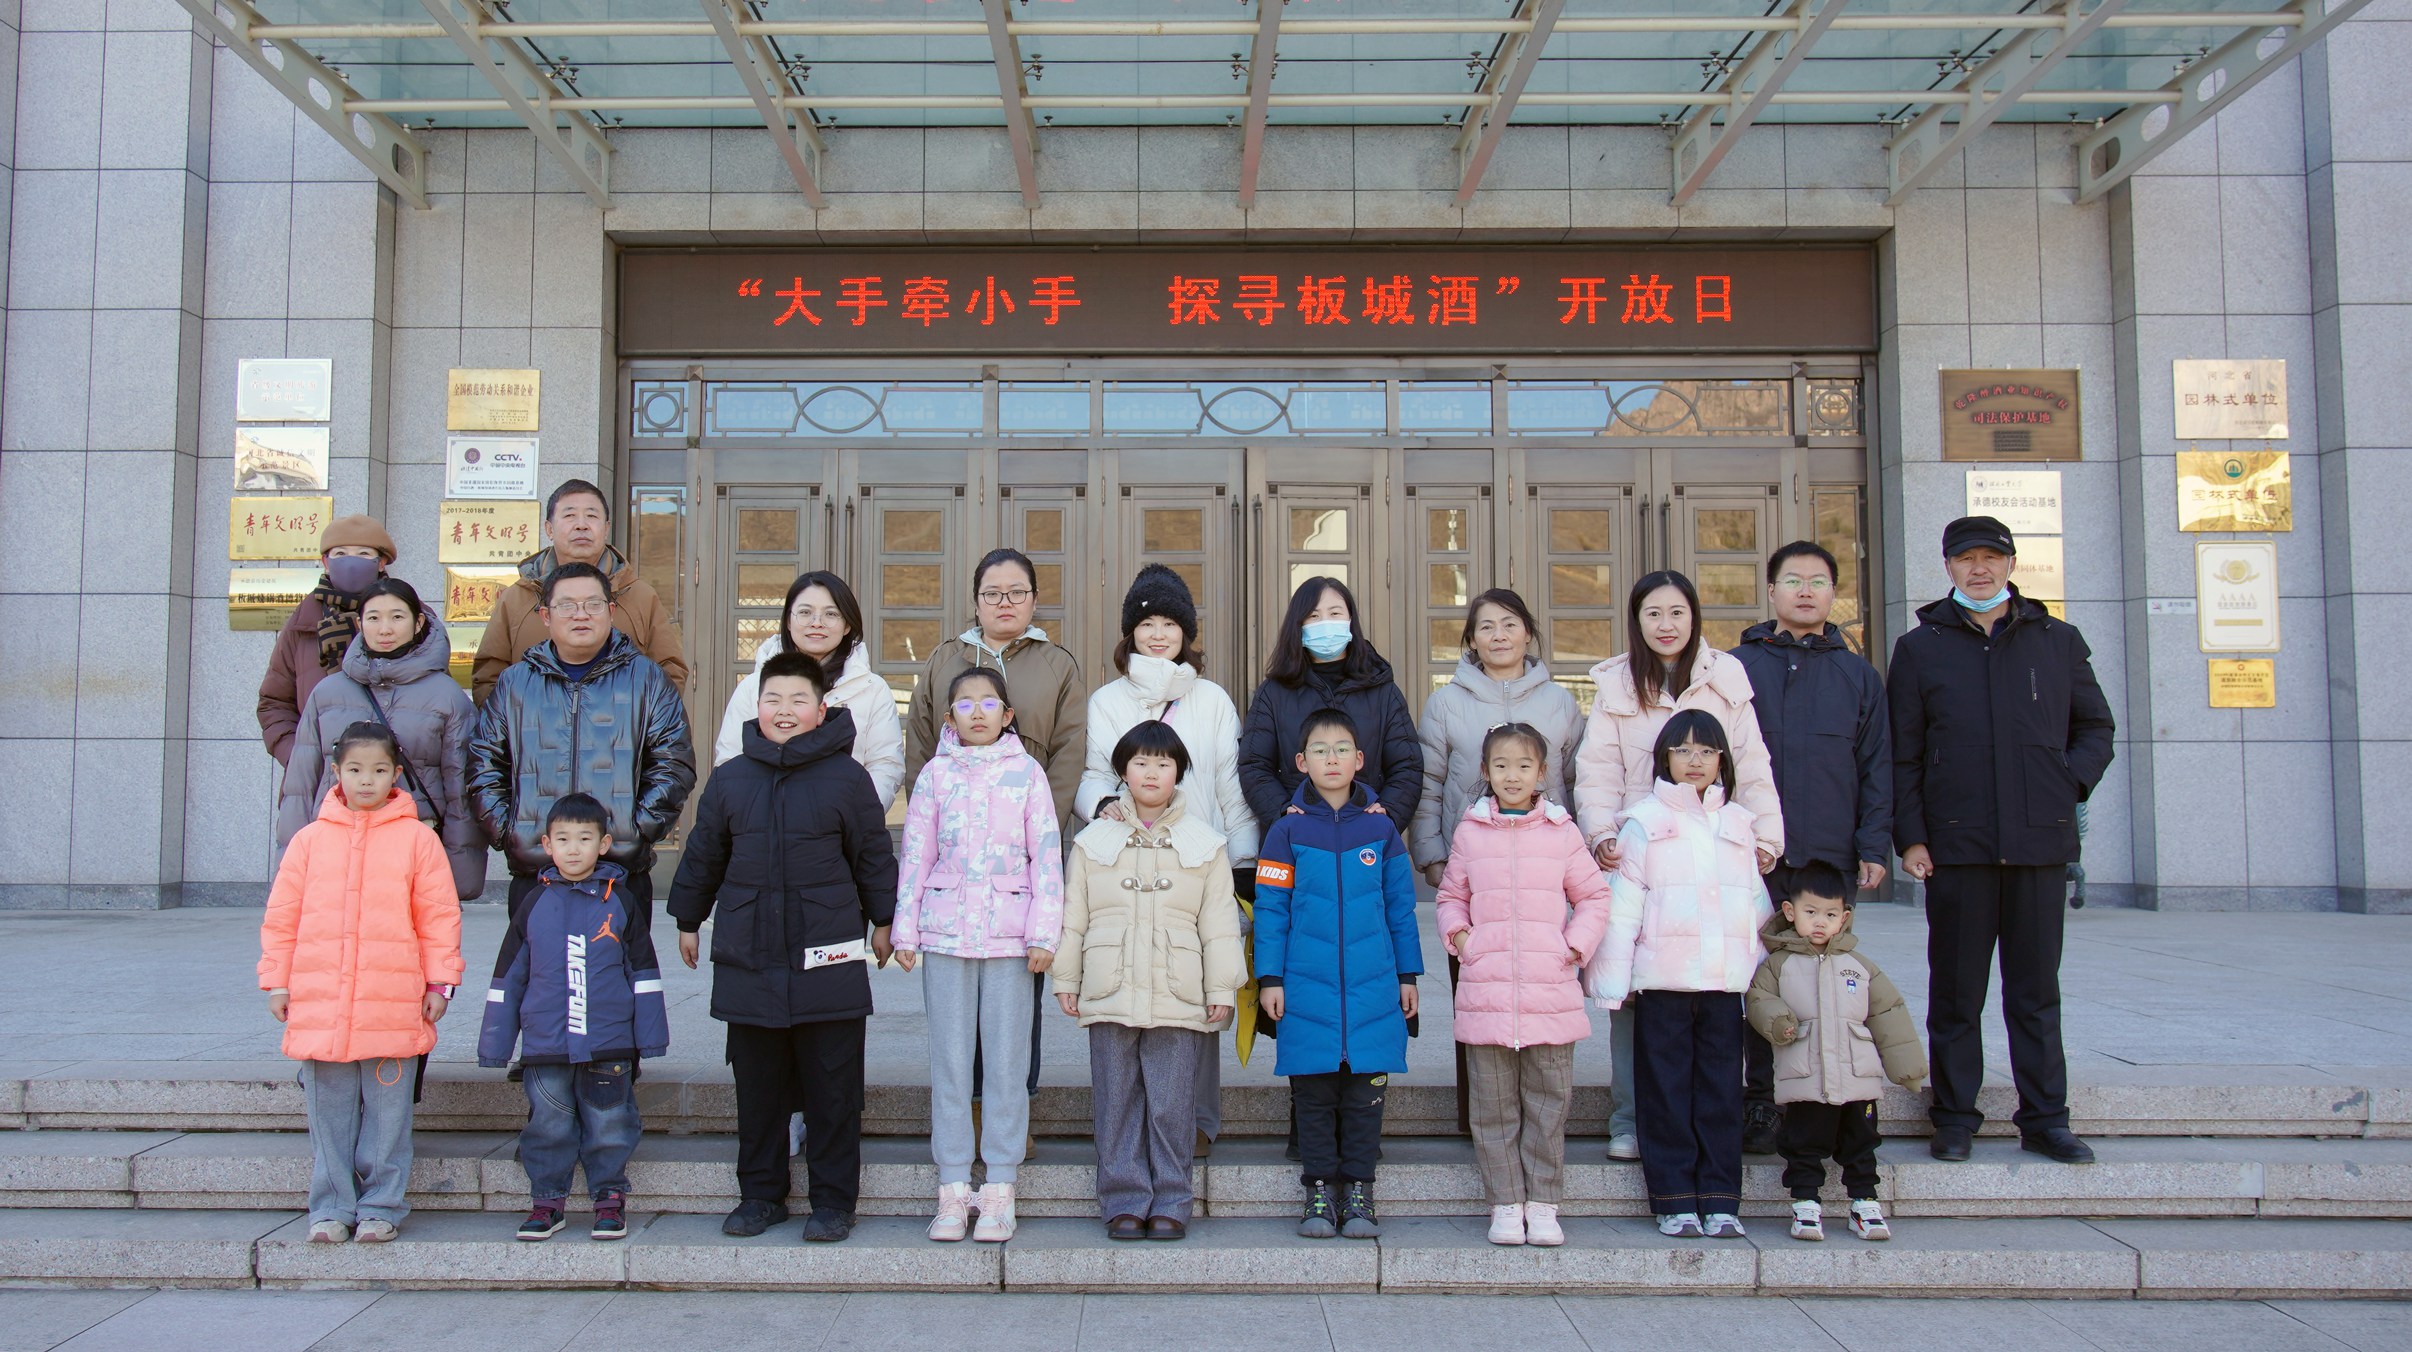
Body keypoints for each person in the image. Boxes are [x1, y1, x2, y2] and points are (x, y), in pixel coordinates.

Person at [1890, 516, 2115, 1166]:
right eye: (1967, 559)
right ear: (1948, 567)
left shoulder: (2056, 640)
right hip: (1957, 847)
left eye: (1992, 557)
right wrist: (1912, 837)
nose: (1980, 569)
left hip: (2039, 844)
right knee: (1956, 994)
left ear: (2012, 564)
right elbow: (1904, 754)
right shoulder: (1921, 648)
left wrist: (2064, 783)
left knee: (2035, 994)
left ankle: (2045, 1119)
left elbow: (2096, 727)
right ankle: (1954, 1118)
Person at [671, 649, 901, 1245]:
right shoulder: (731, 778)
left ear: (821, 710)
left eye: (799, 699)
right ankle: (760, 1196)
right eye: (773, 698)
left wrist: (885, 920)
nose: (785, 709)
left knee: (834, 1086)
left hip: (829, 949)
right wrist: (689, 918)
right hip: (749, 952)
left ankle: (833, 1201)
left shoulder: (847, 778)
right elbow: (704, 853)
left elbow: (873, 855)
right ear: (757, 706)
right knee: (758, 1086)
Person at [1572, 570, 1782, 1161]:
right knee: (1630, 989)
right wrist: (1601, 835)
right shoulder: (1616, 683)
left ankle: (1702, 1119)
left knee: (1710, 995)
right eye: (1653, 614)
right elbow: (1598, 771)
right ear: (1636, 621)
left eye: (1677, 613)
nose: (1666, 625)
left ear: (1694, 617)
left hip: (1712, 855)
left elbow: (1752, 765)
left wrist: (1765, 839)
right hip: (1640, 854)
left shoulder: (1726, 678)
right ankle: (1629, 1119)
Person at [1076, 563, 1257, 1158]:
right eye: (1147, 623)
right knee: (1129, 993)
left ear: (1186, 634)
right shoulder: (1107, 701)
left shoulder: (1212, 699)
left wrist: (1243, 858)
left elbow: (1230, 783)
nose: (1158, 635)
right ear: (1130, 632)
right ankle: (1132, 1127)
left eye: (1170, 624)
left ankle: (1197, 1120)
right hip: (1128, 863)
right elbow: (1094, 773)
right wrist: (1101, 804)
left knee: (1199, 987)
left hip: (1197, 865)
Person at [901, 547, 1086, 1125]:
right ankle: (968, 1113)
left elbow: (1069, 751)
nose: (1005, 602)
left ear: (1034, 599)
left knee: (1017, 992)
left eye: (1017, 592)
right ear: (976, 600)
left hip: (1023, 852)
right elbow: (922, 741)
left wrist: (1038, 829)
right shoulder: (944, 659)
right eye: (992, 593)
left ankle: (1014, 1110)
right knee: (956, 999)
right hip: (956, 857)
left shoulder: (1056, 664)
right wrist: (938, 818)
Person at [259, 721, 463, 1244]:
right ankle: (331, 1206)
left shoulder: (418, 840)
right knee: (328, 1112)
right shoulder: (309, 842)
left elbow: (438, 918)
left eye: (378, 770)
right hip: (321, 1000)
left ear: (396, 775)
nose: (365, 780)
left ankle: (381, 1205)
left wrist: (440, 984)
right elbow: (282, 918)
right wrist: (277, 982)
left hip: (392, 1002)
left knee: (388, 1116)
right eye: (354, 769)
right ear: (336, 772)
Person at [891, 667, 1065, 1244]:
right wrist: (906, 930)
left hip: (1010, 937)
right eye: (964, 704)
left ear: (1007, 714)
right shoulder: (935, 775)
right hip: (946, 935)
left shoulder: (1028, 773)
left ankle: (999, 1186)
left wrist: (1044, 933)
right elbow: (915, 853)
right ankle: (952, 1184)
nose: (978, 712)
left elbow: (1047, 854)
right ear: (949, 718)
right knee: (950, 1061)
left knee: (1008, 1063)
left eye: (989, 702)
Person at [1053, 722, 1246, 1241]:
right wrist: (1066, 977)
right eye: (1140, 762)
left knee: (1171, 1103)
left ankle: (1172, 1201)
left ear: (1179, 772)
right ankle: (1123, 1200)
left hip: (1177, 989)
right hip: (1109, 984)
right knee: (1115, 1100)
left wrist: (1221, 989)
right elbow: (1073, 916)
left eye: (1163, 763)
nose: (1152, 772)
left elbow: (1219, 925)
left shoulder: (1205, 843)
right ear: (1122, 771)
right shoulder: (1092, 841)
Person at [1730, 541, 1892, 1156]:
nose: (1805, 590)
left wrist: (1873, 843)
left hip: (1829, 855)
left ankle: (1823, 1099)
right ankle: (1759, 1100)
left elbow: (1876, 766)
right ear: (1771, 591)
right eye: (1793, 580)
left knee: (1823, 981)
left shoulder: (1858, 675)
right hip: (1754, 854)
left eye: (1818, 581)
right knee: (1759, 979)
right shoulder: (1737, 667)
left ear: (1833, 594)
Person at [1587, 711, 1774, 1240]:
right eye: (1684, 750)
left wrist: (1763, 978)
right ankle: (1672, 1199)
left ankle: (1721, 1199)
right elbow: (1623, 909)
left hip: (1722, 986)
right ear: (1664, 758)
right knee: (1665, 1091)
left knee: (1721, 1091)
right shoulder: (1643, 822)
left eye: (1707, 751)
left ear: (1722, 761)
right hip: (1663, 984)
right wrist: (1613, 983)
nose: (1696, 760)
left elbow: (1756, 908)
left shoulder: (1737, 824)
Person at [1433, 723, 1613, 1248]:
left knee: (1548, 1105)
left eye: (1524, 766)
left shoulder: (1562, 832)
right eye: (1501, 765)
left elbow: (1594, 897)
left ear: (1542, 773)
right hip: (1486, 993)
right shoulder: (1470, 832)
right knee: (1492, 1108)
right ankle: (1506, 1204)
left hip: (1549, 993)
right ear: (1485, 772)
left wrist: (1573, 947)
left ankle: (1544, 1203)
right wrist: (1462, 938)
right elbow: (1451, 897)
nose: (1513, 776)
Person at [1253, 708, 1422, 1242]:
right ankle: (1320, 1190)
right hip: (1305, 988)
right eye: (1320, 751)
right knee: (1314, 1096)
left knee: (1365, 1099)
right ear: (1302, 762)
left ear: (1360, 759)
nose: (1332, 759)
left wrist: (1408, 974)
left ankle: (1360, 1191)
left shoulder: (1381, 830)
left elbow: (1401, 909)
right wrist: (1270, 978)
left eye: (1342, 749)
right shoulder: (1284, 832)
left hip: (1374, 987)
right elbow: (1271, 909)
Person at [477, 794, 669, 1242]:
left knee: (610, 1123)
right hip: (546, 1042)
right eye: (562, 839)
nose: (573, 849)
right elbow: (508, 977)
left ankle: (609, 1198)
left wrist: (650, 1037)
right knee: (548, 1123)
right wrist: (496, 1043)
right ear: (547, 844)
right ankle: (547, 1202)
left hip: (609, 1042)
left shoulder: (621, 902)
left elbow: (644, 974)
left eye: (584, 839)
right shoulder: (534, 903)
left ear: (604, 844)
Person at [467, 563, 696, 927]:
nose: (581, 615)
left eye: (593, 604)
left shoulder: (648, 680)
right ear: (546, 616)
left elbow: (674, 764)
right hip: (536, 872)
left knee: (619, 963)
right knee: (536, 963)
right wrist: (510, 830)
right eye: (567, 605)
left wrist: (635, 830)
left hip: (620, 873)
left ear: (611, 611)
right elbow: (484, 763)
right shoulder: (514, 684)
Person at [1744, 861, 1927, 1243]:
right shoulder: (1778, 965)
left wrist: (1907, 1068)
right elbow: (1759, 1001)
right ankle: (1805, 1202)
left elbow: (1888, 1014)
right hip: (1806, 1078)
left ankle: (1864, 1202)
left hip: (1856, 1078)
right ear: (1790, 912)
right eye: (1810, 912)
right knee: (1802, 1142)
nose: (1820, 923)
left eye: (1830, 915)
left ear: (1844, 917)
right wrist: (1779, 1021)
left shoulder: (1859, 966)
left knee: (1861, 1141)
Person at [276, 578, 486, 901]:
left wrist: (457, 875)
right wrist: (291, 866)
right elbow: (300, 787)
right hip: (335, 849)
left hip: (412, 853)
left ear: (418, 622)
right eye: (373, 618)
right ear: (360, 623)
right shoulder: (327, 693)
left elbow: (460, 794)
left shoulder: (448, 698)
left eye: (397, 617)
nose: (385, 629)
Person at [1412, 588, 1584, 884]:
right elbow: (1428, 784)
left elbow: (1575, 782)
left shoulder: (1560, 702)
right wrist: (1432, 857)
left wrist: (1580, 853)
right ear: (1472, 640)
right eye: (1487, 627)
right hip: (1469, 861)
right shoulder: (1445, 703)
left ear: (1527, 634)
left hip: (1547, 860)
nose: (1499, 636)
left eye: (1509, 625)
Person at [472, 479, 688, 706]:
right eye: (570, 515)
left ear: (606, 528)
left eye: (591, 516)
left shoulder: (640, 596)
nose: (581, 525)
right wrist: (520, 723)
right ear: (549, 529)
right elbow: (488, 678)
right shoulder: (516, 599)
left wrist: (636, 722)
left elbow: (670, 672)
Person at [1239, 575, 1423, 835]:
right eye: (1313, 616)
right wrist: (1283, 812)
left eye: (1335, 613)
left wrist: (1387, 813)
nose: (1325, 623)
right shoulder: (1273, 692)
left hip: (1366, 835)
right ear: (1298, 625)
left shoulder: (1382, 690)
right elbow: (1254, 765)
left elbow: (1407, 766)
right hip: (1296, 837)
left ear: (1350, 621)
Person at [712, 571, 905, 807]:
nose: (817, 623)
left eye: (831, 614)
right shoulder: (752, 687)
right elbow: (730, 761)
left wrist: (853, 816)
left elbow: (885, 765)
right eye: (805, 612)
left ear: (847, 624)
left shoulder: (872, 689)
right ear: (788, 621)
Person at [258, 514, 398, 766]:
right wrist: (299, 758)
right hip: (319, 779)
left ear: (381, 562)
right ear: (325, 562)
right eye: (340, 554)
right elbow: (274, 702)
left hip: (393, 775)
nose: (351, 563)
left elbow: (436, 701)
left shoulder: (410, 616)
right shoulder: (303, 621)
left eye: (364, 554)